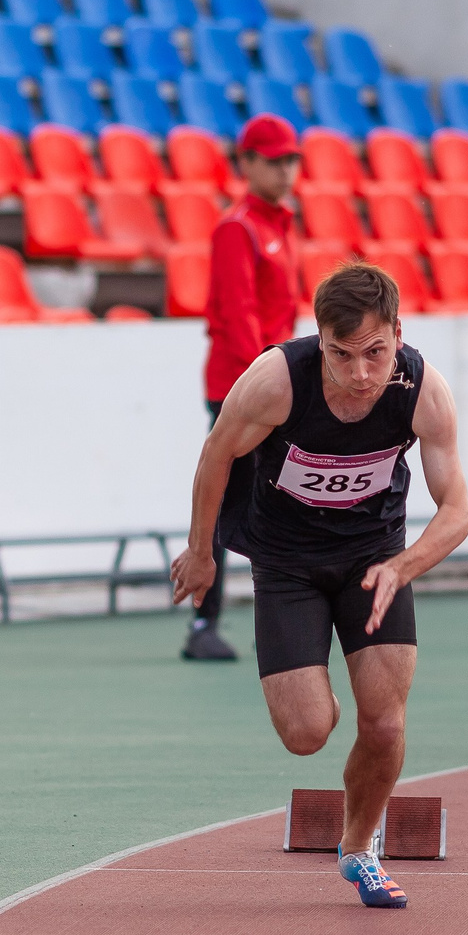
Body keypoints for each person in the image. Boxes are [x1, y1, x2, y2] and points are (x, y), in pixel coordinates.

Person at [169, 262, 468, 909]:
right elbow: (215, 454)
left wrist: (404, 565)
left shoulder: (423, 389)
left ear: (398, 333)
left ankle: (360, 849)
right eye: (341, 354)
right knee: (307, 731)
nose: (360, 373)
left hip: (373, 561)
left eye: (375, 353)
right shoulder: (277, 380)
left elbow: (456, 511)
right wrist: (202, 552)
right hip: (287, 562)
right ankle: (316, 689)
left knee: (385, 724)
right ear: (319, 339)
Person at [182, 114, 304, 662]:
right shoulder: (241, 228)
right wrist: (265, 381)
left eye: (291, 159)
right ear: (247, 163)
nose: (286, 169)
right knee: (228, 496)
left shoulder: (279, 226)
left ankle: (266, 615)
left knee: (266, 499)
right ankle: (202, 621)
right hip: (244, 383)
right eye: (275, 159)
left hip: (268, 380)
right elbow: (239, 316)